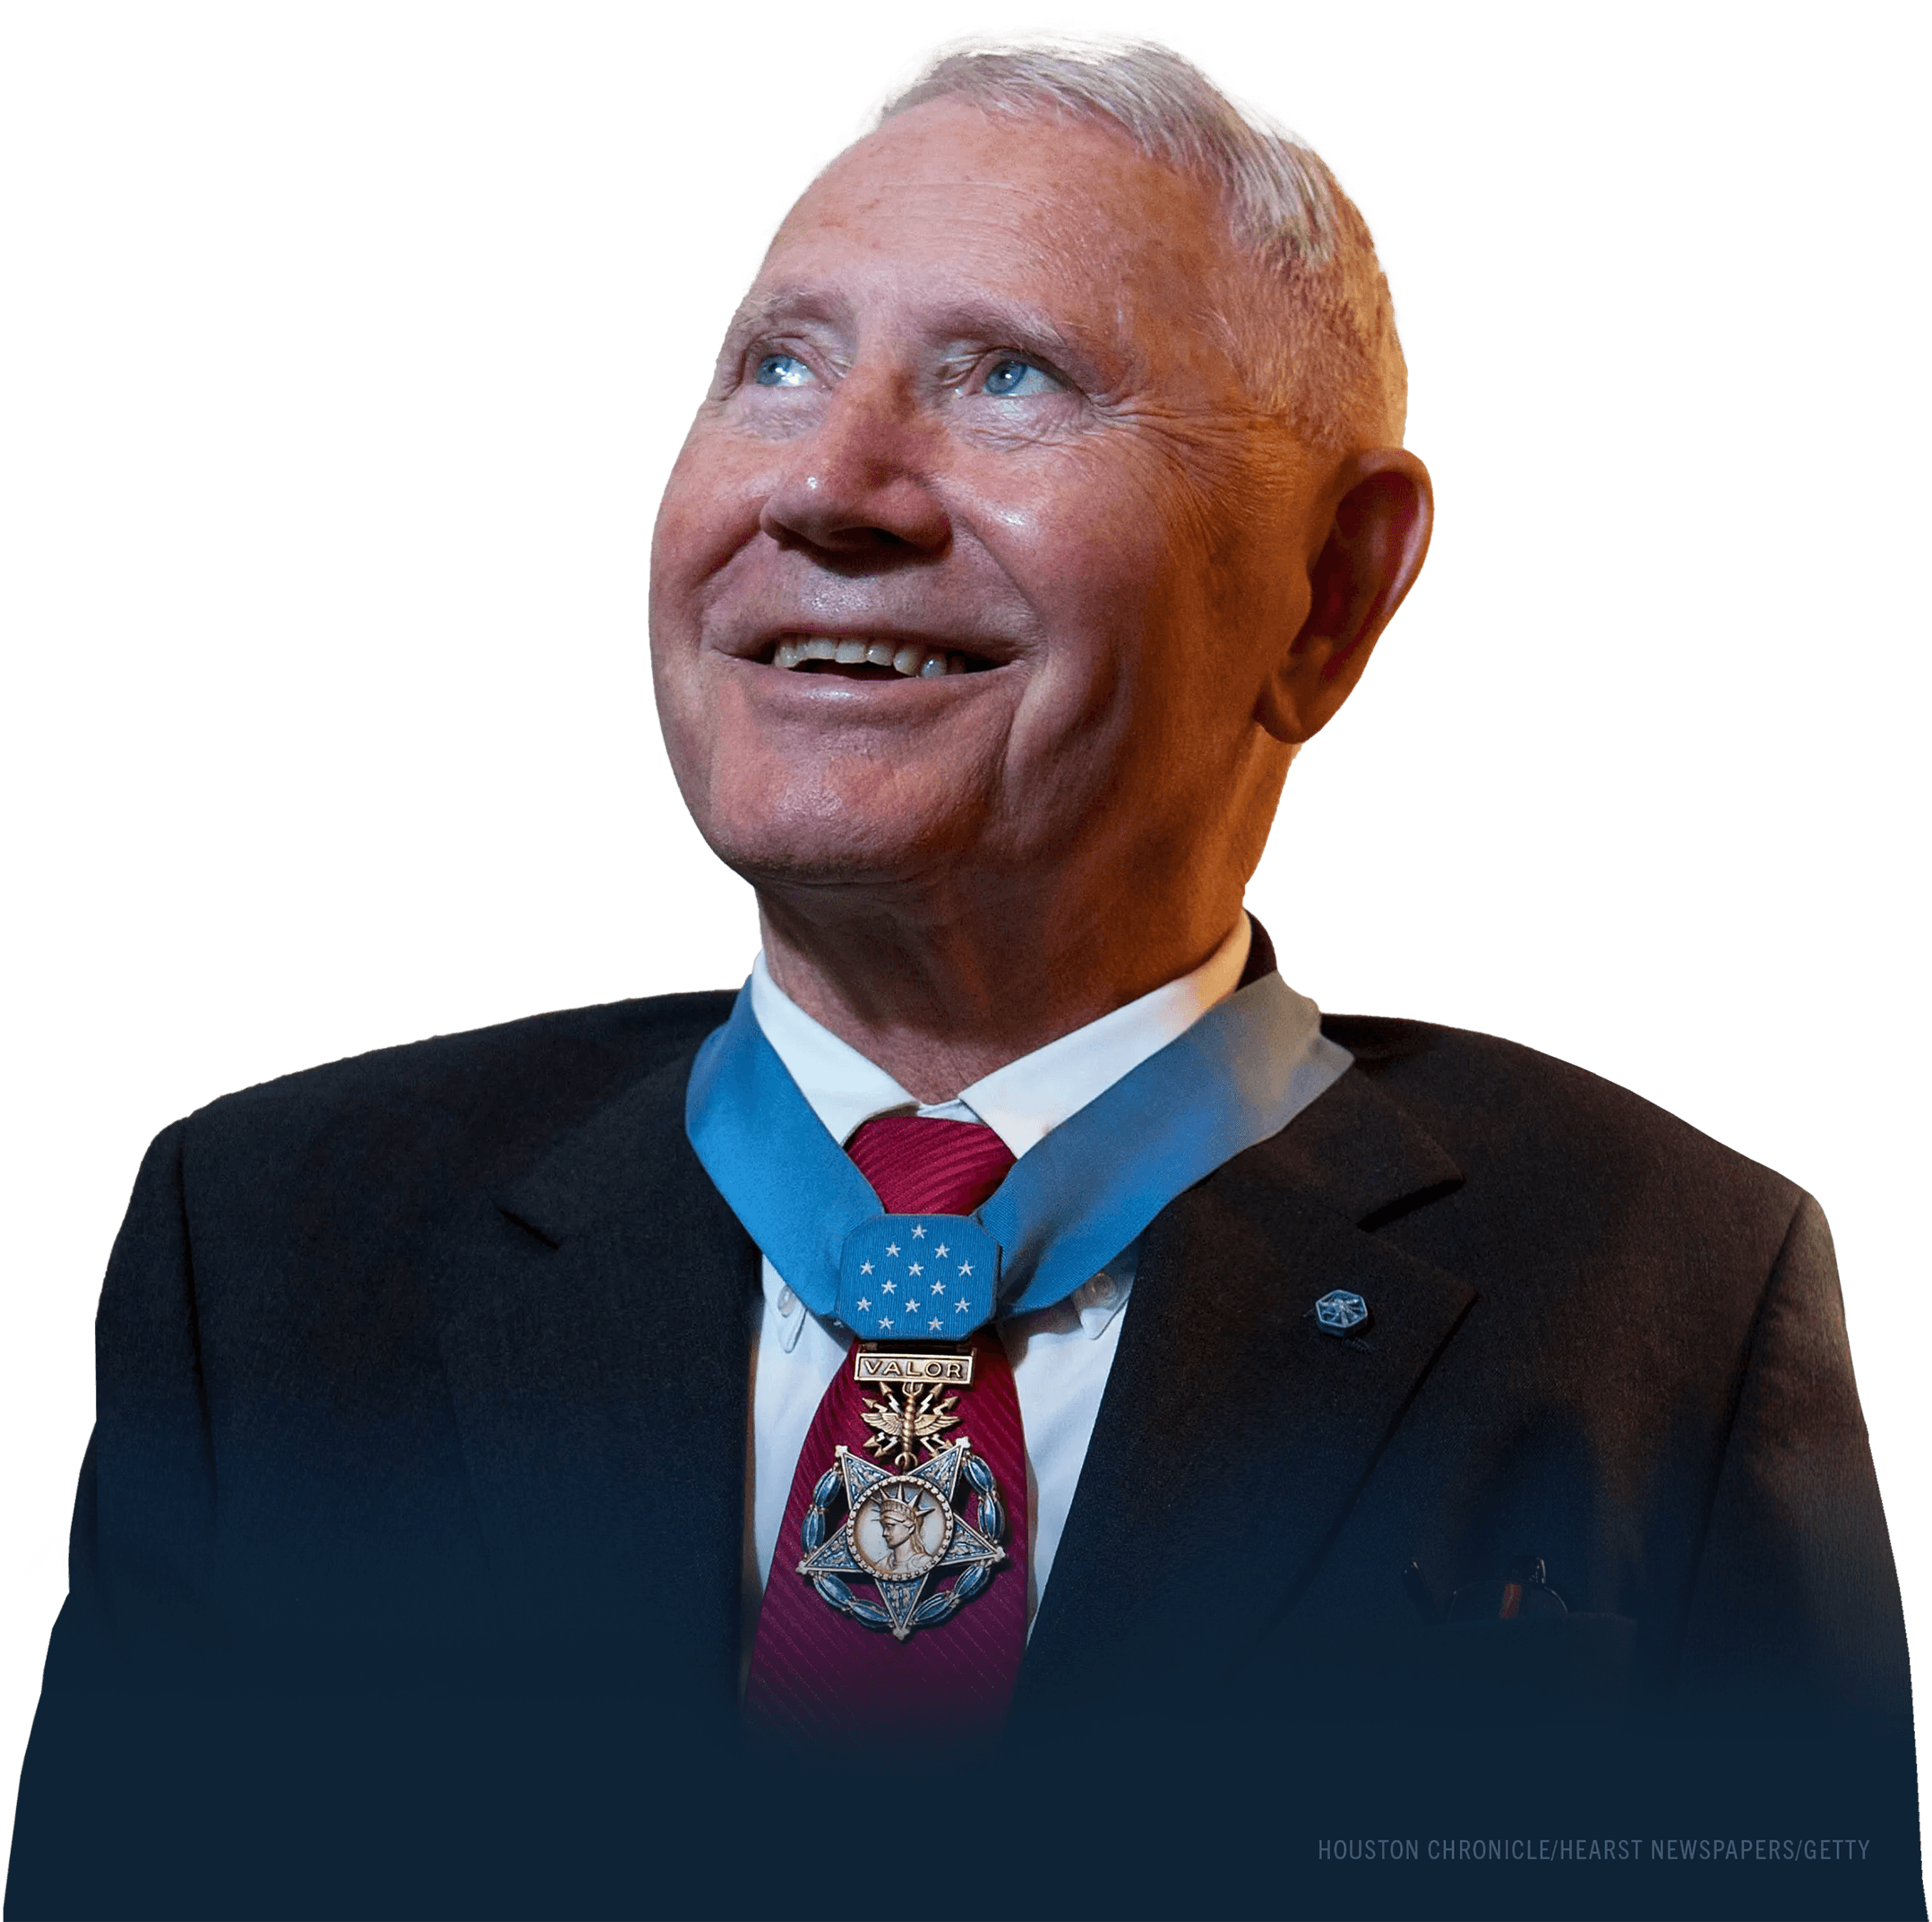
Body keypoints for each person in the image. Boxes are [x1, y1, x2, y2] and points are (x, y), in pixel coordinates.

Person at [6, 22, 1922, 1921]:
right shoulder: (267, 1253)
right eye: (776, 363)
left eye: (1009, 377)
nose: (829, 486)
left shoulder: (1667, 1290)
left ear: (1328, 594)